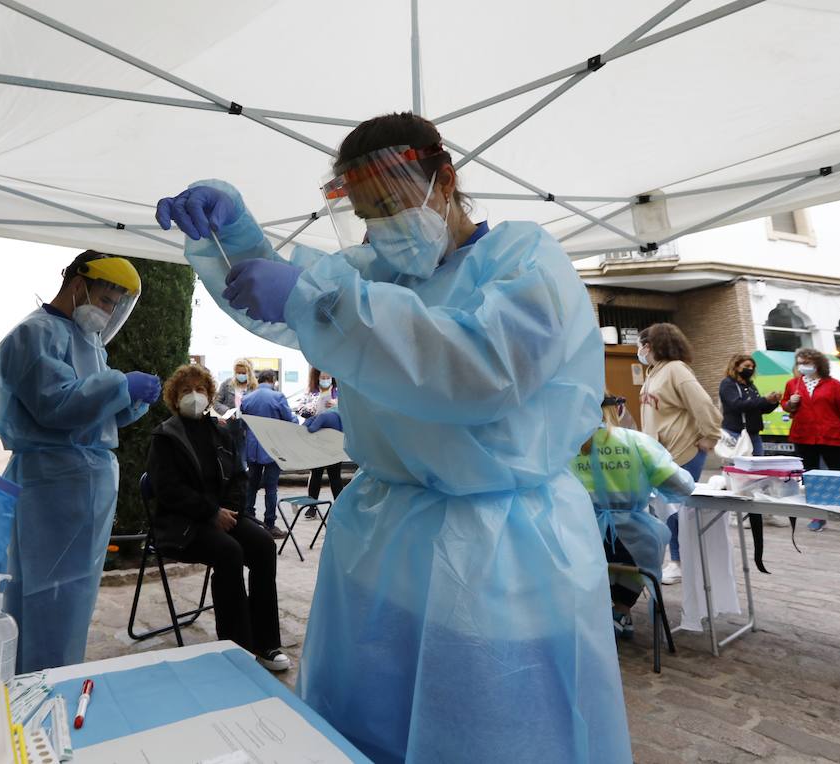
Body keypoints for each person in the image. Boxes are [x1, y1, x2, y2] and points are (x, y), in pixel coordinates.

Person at [156, 112, 631, 763]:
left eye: (393, 203)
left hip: (500, 550)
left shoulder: (525, 258)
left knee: (490, 729)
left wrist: (314, 301)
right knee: (369, 722)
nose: (382, 226)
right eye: (367, 211)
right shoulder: (381, 276)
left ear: (445, 178)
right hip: (385, 543)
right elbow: (294, 301)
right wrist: (235, 239)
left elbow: (479, 367)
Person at [0, 251, 161, 672]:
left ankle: (54, 674)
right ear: (77, 283)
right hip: (53, 482)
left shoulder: (87, 341)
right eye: (105, 298)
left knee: (72, 595)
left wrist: (131, 401)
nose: (108, 311)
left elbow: (91, 411)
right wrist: (120, 384)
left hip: (82, 483)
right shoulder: (35, 334)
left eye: (115, 304)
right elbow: (56, 406)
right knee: (48, 595)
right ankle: (43, 680)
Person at [147, 364, 290, 671]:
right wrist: (210, 513)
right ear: (174, 398)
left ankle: (266, 643)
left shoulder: (220, 431)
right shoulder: (165, 437)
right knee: (229, 552)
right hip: (183, 524)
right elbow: (168, 490)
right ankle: (235, 647)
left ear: (210, 394)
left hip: (223, 517)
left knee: (264, 545)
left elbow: (239, 477)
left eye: (200, 389)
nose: (194, 396)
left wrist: (228, 510)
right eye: (186, 391)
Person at [571, 394, 691, 639]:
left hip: (583, 539)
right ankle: (621, 610)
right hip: (633, 538)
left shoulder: (567, 447)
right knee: (645, 549)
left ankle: (610, 614)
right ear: (617, 409)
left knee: (604, 559)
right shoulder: (635, 441)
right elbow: (681, 487)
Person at [638, 323, 721, 585]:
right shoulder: (653, 373)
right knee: (667, 509)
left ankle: (678, 562)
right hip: (660, 454)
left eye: (640, 345)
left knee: (676, 510)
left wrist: (710, 436)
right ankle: (675, 559)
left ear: (648, 346)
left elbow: (703, 403)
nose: (638, 351)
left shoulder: (675, 370)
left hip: (682, 451)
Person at [782, 348, 840, 536]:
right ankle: (818, 515)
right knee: (811, 477)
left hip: (832, 436)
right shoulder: (793, 384)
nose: (803, 366)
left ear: (818, 364)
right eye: (800, 363)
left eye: (807, 362)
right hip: (804, 436)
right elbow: (787, 407)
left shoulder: (834, 385)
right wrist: (790, 403)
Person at [240, 369, 296, 539]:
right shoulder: (278, 397)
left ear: (259, 380)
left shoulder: (247, 398)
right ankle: (270, 525)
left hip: (253, 448)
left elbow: (243, 424)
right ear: (272, 380)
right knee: (271, 489)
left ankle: (248, 521)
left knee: (252, 486)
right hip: (273, 449)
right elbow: (289, 420)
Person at [296, 366, 345, 517]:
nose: (325, 380)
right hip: (315, 439)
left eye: (328, 377)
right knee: (315, 474)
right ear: (317, 377)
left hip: (334, 440)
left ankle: (340, 508)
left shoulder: (340, 393)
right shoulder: (310, 393)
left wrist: (337, 406)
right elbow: (300, 408)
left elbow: (350, 412)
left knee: (334, 475)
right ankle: (312, 507)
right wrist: (312, 407)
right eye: (322, 377)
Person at [719, 353, 781, 456]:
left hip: (753, 433)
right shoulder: (728, 384)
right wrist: (764, 399)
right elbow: (737, 405)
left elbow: (758, 408)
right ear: (736, 367)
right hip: (736, 433)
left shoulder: (751, 386)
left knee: (758, 466)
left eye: (752, 367)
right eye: (747, 366)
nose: (750, 369)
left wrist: (772, 402)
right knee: (738, 467)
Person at [213, 357, 256, 468]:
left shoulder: (254, 387)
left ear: (249, 373)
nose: (240, 375)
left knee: (245, 455)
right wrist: (227, 411)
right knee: (231, 454)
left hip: (247, 425)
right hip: (231, 424)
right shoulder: (227, 384)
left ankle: (245, 476)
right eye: (238, 373)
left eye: (243, 373)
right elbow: (216, 402)